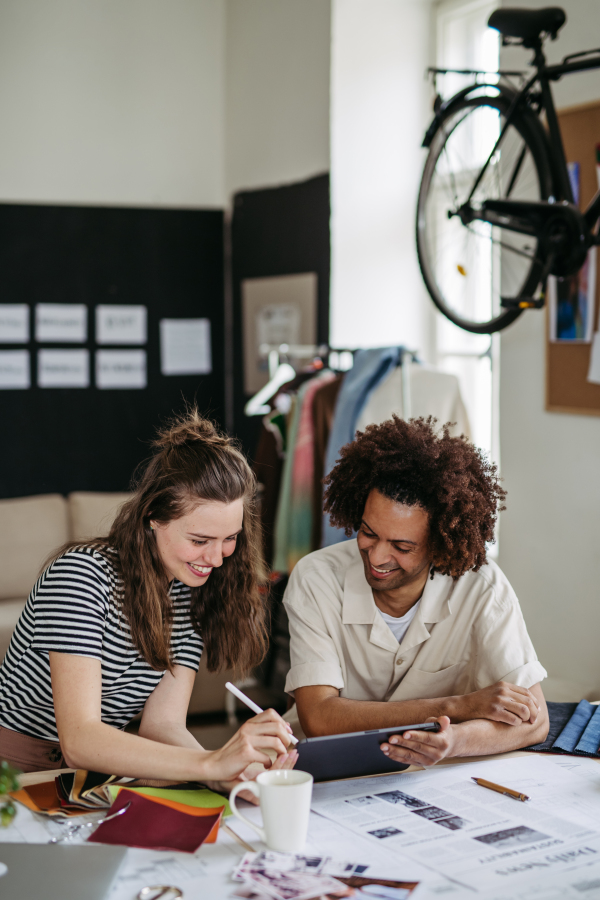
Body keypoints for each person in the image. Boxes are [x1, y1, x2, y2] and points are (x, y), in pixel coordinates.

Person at [0, 409, 296, 792]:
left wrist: (227, 777)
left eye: (230, 538)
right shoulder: (80, 576)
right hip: (18, 772)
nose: (217, 558)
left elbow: (163, 725)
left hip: (98, 772)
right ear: (154, 516)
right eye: (200, 540)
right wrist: (211, 762)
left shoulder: (190, 593)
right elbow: (80, 739)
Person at [283, 416, 549, 767]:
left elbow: (536, 722)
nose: (377, 556)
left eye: (402, 547)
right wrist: (453, 708)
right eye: (368, 532)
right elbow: (319, 718)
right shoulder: (316, 578)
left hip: (433, 779)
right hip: (327, 772)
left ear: (440, 546)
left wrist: (455, 741)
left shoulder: (481, 587)